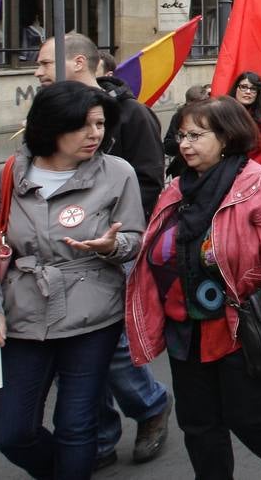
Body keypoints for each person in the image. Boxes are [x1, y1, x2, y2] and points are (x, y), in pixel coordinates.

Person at [127, 96, 261, 480]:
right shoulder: (175, 189)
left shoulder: (257, 185)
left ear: (226, 137)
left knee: (251, 417)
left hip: (238, 326)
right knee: (198, 424)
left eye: (196, 135)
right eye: (180, 135)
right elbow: (156, 251)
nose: (185, 144)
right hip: (185, 328)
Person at [0, 81, 145, 479]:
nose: (94, 134)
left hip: (94, 315)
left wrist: (108, 247)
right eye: (83, 125)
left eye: (100, 124)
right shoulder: (4, 177)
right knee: (11, 432)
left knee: (77, 425)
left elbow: (135, 240)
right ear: (51, 126)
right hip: (22, 318)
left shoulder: (117, 173)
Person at [36, 33, 173, 467]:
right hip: (57, 259)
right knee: (69, 351)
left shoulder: (131, 116)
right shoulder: (45, 117)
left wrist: (120, 239)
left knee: (109, 347)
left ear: (77, 62)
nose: (37, 72)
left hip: (114, 253)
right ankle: (98, 436)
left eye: (43, 63)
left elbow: (150, 183)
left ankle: (150, 405)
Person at [164, 84, 213, 177]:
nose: (205, 106)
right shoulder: (178, 118)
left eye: (206, 101)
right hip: (184, 170)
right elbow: (168, 146)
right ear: (190, 103)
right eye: (201, 102)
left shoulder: (212, 117)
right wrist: (185, 141)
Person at [231, 71, 261, 166]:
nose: (248, 92)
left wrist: (248, 169)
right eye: (243, 87)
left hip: (252, 167)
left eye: (253, 89)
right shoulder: (223, 111)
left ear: (258, 93)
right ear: (236, 88)